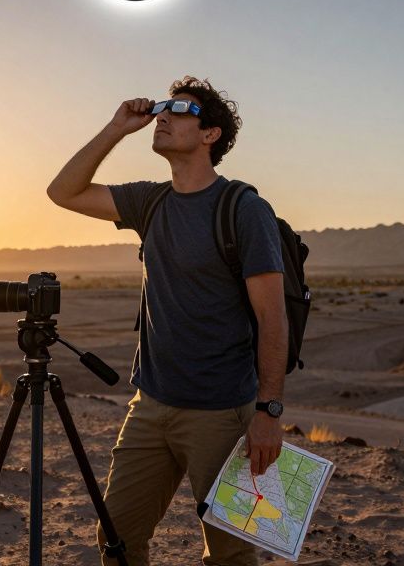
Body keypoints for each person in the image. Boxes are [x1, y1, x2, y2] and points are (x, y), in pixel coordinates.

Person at [47, 76, 287, 566]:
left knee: (231, 554)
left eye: (180, 109)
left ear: (210, 135)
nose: (164, 116)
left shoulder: (244, 210)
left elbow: (273, 318)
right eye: (162, 108)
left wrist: (268, 413)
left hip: (222, 413)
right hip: (150, 407)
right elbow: (63, 191)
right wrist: (116, 128)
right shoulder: (148, 201)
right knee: (117, 541)